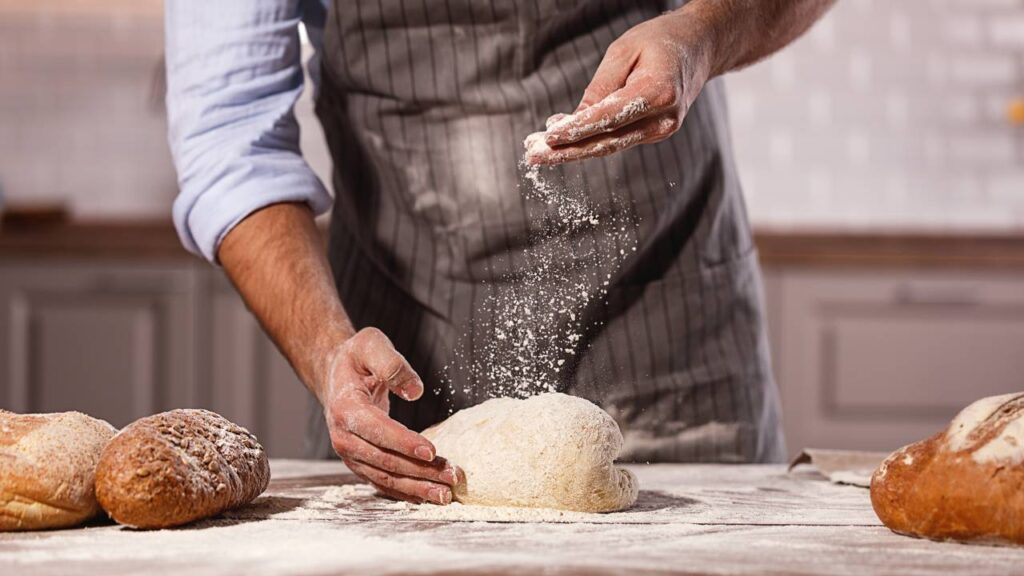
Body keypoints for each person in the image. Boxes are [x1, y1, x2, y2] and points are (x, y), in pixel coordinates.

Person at [165, 0, 834, 506]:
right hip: (407, 356)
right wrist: (326, 352)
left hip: (670, 321)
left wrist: (706, 34)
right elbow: (230, 141)